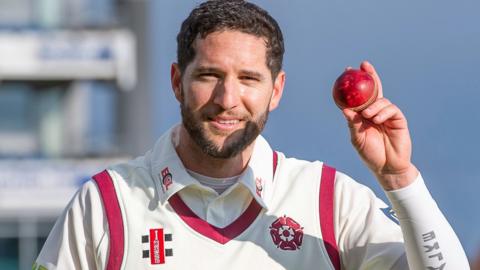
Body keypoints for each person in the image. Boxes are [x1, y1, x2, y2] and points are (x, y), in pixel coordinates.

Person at [34, 1, 469, 269]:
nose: (228, 98)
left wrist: (399, 178)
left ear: (275, 90)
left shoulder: (327, 200)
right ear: (176, 81)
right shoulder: (106, 204)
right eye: (209, 75)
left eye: (249, 78)